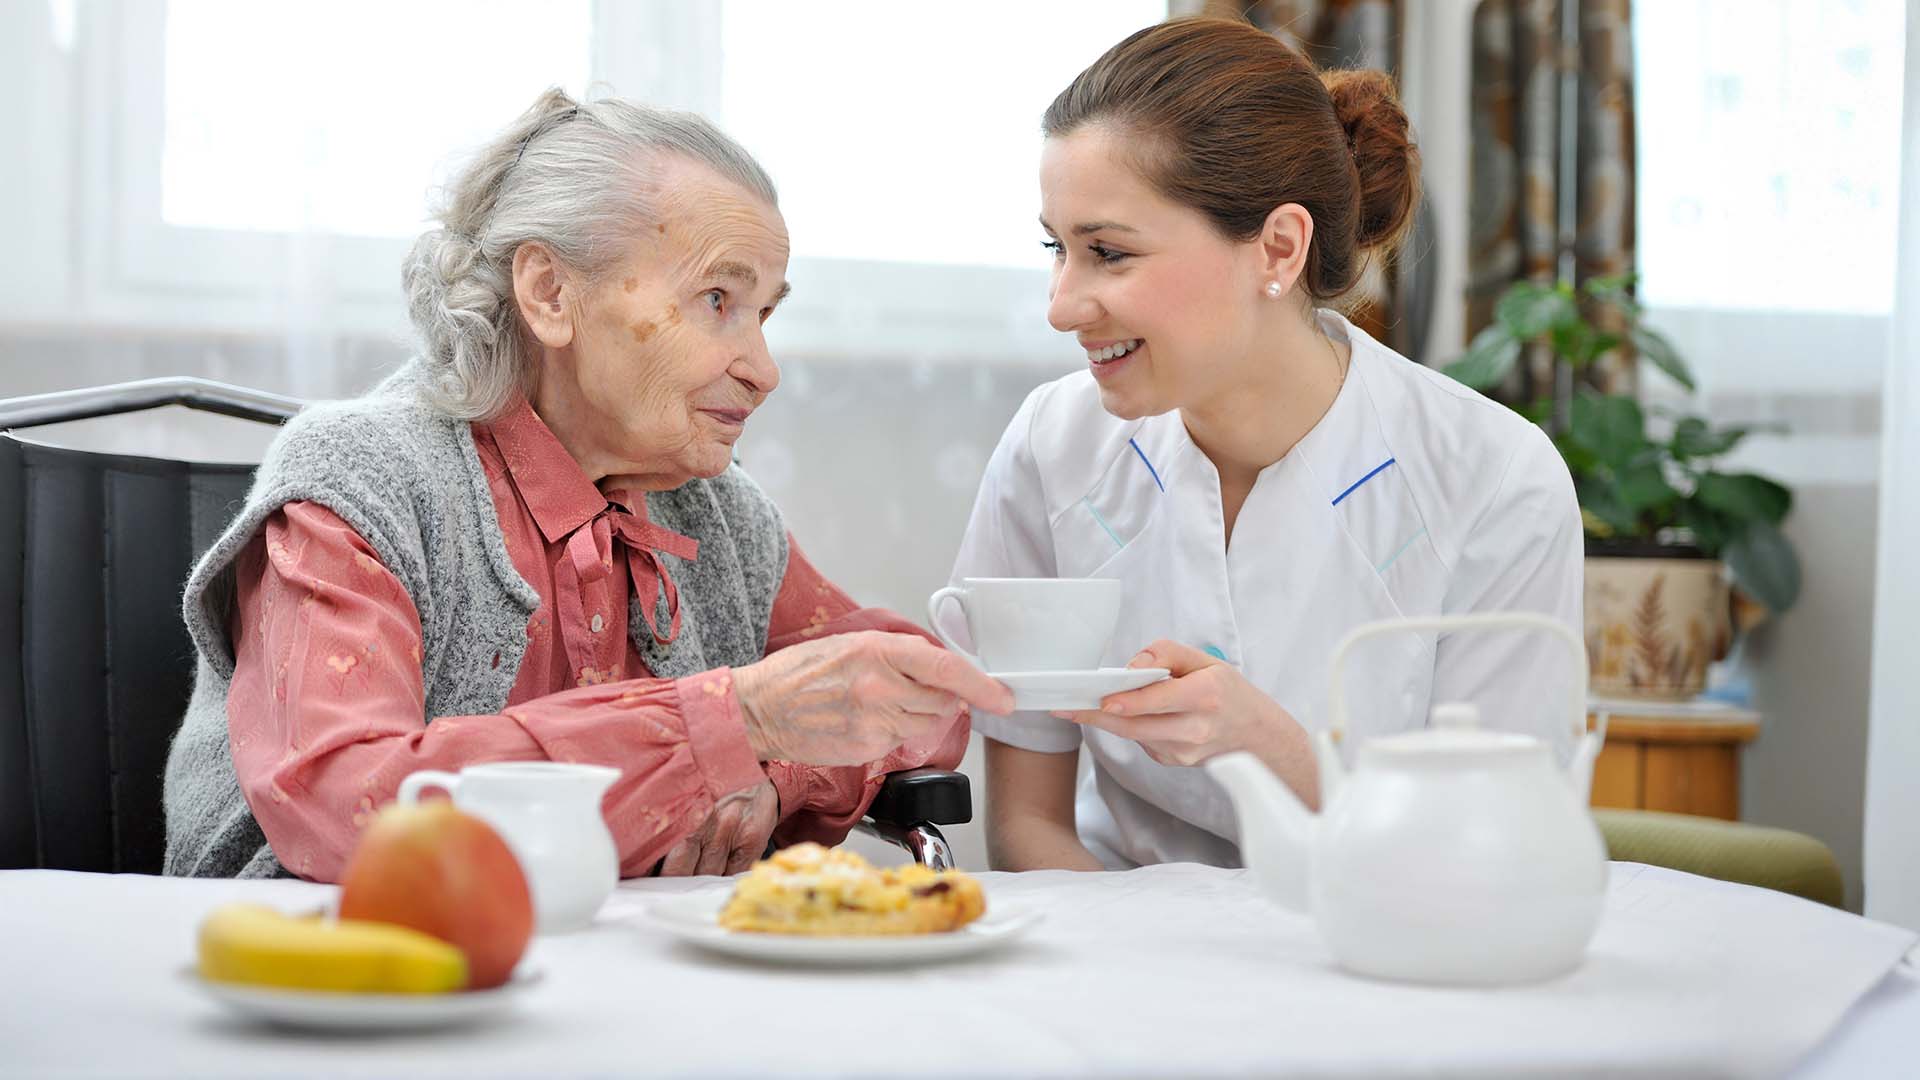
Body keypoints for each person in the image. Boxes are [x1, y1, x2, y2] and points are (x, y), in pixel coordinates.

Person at [164, 88, 1014, 881]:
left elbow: (925, 696)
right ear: (550, 293)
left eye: (764, 314)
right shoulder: (364, 479)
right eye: (717, 299)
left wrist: (775, 768)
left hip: (609, 967)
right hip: (332, 963)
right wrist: (734, 723)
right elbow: (348, 801)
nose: (763, 370)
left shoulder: (716, 511)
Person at [946, 18, 1582, 871]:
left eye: (1109, 253)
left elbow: (1494, 849)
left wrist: (1266, 743)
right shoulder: (1052, 445)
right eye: (1056, 249)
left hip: (1383, 934)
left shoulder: (1496, 480)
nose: (1061, 305)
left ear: (1278, 248)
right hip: (1109, 930)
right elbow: (1030, 827)